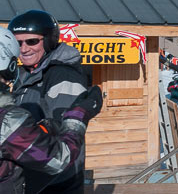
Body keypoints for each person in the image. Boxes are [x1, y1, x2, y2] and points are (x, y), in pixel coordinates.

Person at [0, 27, 104, 193]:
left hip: (55, 182)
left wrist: (47, 128)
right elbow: (58, 159)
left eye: (32, 41)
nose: (24, 48)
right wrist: (77, 117)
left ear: (48, 41)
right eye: (18, 43)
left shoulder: (61, 75)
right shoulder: (8, 118)